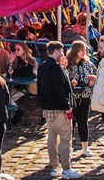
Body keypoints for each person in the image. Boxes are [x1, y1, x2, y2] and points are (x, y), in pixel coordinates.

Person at [37, 42, 81, 179]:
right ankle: (67, 168)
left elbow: (40, 88)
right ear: (56, 51)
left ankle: (55, 167)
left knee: (51, 139)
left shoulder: (43, 66)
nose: (63, 54)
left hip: (48, 108)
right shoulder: (55, 67)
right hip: (59, 109)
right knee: (65, 140)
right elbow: (59, 90)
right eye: (61, 51)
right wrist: (67, 107)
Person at [66, 41, 97, 159]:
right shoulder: (68, 65)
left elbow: (97, 74)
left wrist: (93, 80)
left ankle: (85, 147)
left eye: (85, 50)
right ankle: (69, 147)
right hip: (73, 98)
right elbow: (64, 78)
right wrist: (71, 83)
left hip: (85, 96)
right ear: (75, 51)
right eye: (82, 50)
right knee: (71, 124)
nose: (84, 52)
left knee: (83, 122)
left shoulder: (88, 64)